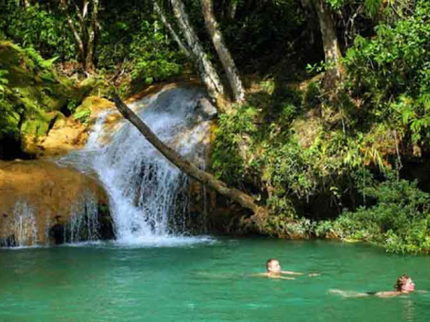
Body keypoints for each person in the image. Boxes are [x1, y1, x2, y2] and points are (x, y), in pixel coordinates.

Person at [330, 274, 416, 298]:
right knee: (362, 295)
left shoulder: (402, 292)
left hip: (381, 294)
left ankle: (343, 293)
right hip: (380, 294)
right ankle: (344, 294)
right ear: (404, 286)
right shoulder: (402, 293)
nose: (413, 284)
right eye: (411, 283)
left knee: (363, 294)